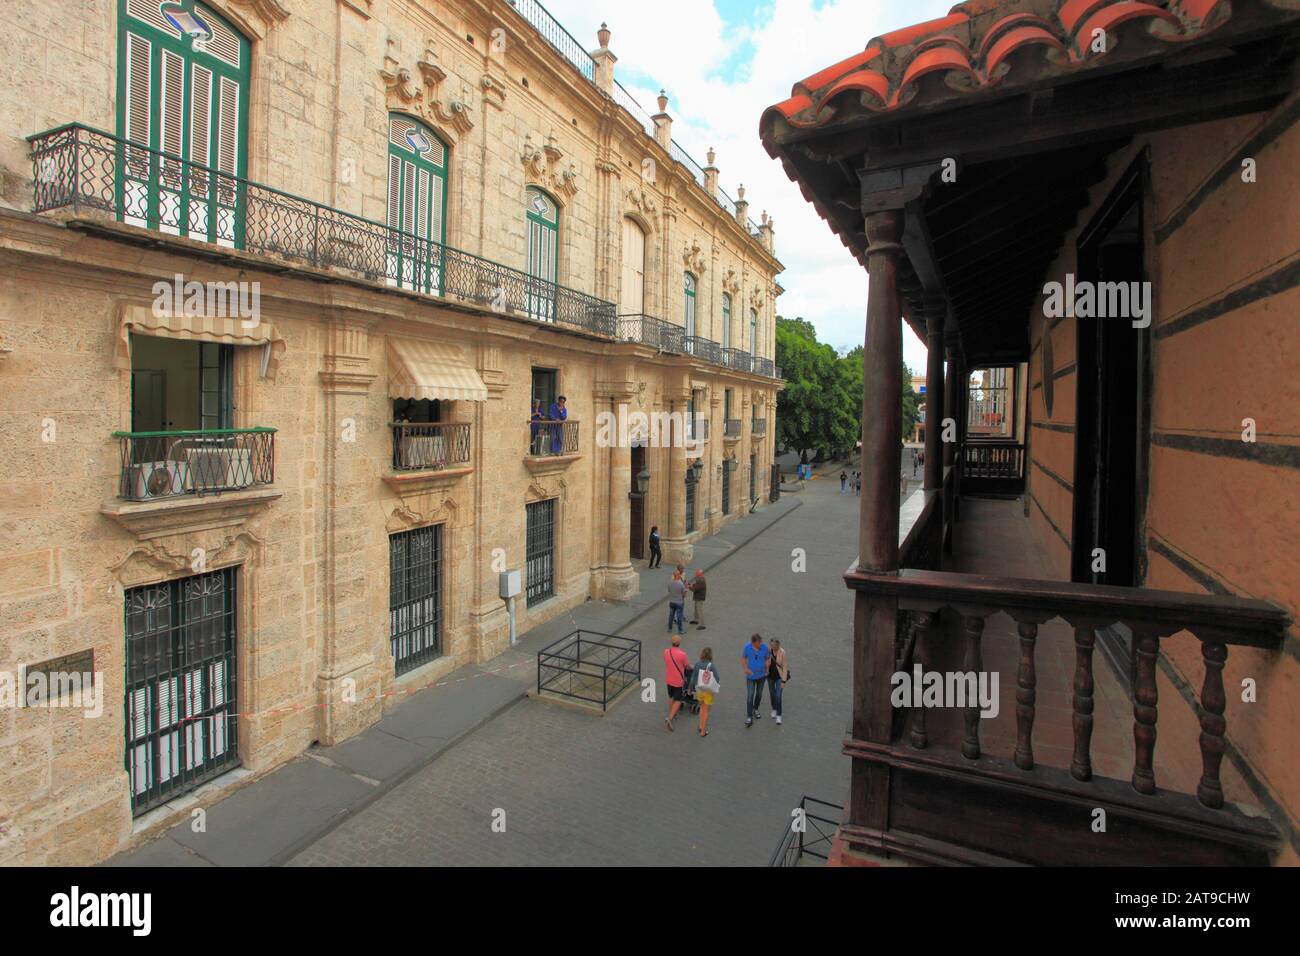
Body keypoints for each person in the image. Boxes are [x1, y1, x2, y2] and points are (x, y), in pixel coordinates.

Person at [687, 646, 719, 737]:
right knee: (706, 711)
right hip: (708, 691)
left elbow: (693, 678)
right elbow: (717, 677)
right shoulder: (711, 666)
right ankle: (703, 731)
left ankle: (700, 726)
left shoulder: (697, 664)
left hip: (699, 690)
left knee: (701, 708)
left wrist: (689, 689)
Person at [663, 635, 693, 731]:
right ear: (679, 643)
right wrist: (692, 668)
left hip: (669, 679)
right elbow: (687, 666)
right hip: (678, 680)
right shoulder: (682, 654)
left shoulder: (666, 652)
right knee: (678, 700)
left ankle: (672, 713)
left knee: (671, 697)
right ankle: (670, 718)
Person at [741, 633, 770, 727]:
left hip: (762, 675)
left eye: (761, 641)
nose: (761, 643)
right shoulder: (747, 647)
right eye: (759, 642)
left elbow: (768, 658)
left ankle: (755, 709)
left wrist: (767, 668)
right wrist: (745, 668)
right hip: (751, 677)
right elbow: (743, 658)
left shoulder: (764, 647)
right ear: (753, 643)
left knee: (759, 693)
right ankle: (749, 717)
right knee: (750, 695)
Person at [768, 638, 790, 725]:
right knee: (772, 694)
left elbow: (784, 667)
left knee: (778, 696)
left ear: (778, 645)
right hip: (769, 677)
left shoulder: (782, 652)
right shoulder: (768, 651)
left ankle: (779, 715)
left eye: (774, 646)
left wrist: (783, 681)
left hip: (779, 677)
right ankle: (774, 708)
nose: (772, 647)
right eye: (771, 645)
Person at [666, 568, 687, 636]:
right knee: (679, 616)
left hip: (672, 601)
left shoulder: (670, 583)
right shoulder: (681, 584)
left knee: (671, 615)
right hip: (679, 602)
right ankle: (680, 630)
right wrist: (683, 595)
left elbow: (669, 591)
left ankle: (669, 628)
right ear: (678, 575)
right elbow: (683, 593)